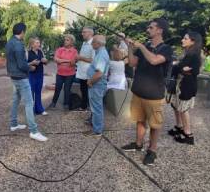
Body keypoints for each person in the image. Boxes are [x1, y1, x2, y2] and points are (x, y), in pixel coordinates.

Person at [121, 18, 173, 166]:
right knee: (140, 120)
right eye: (148, 27)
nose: (148, 30)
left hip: (154, 94)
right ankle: (138, 144)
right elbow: (132, 63)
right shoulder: (145, 46)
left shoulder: (166, 49)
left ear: (159, 30)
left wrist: (142, 47)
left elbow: (154, 61)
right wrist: (130, 47)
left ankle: (152, 150)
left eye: (151, 27)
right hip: (138, 91)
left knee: (155, 125)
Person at [5, 23, 48, 142]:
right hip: (21, 77)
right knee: (29, 103)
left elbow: (11, 61)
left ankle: (13, 124)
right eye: (25, 32)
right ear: (22, 32)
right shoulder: (18, 45)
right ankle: (34, 131)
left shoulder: (9, 42)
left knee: (15, 100)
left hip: (13, 76)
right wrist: (30, 67)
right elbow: (21, 64)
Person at [168, 32, 203, 145]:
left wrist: (179, 67)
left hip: (186, 86)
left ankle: (188, 134)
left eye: (185, 38)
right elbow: (180, 68)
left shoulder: (195, 55)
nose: (182, 40)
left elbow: (193, 71)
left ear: (193, 41)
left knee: (183, 109)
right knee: (176, 106)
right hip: (180, 84)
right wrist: (180, 67)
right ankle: (179, 127)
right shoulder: (187, 53)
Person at [83, 35, 110, 137]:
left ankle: (97, 130)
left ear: (98, 43)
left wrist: (90, 81)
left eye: (93, 42)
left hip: (96, 84)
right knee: (96, 106)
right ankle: (95, 125)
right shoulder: (100, 53)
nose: (91, 43)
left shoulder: (101, 54)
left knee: (96, 108)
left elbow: (99, 73)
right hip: (96, 84)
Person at [48, 34, 78, 110]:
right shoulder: (60, 49)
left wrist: (62, 61)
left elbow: (73, 62)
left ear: (72, 42)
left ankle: (66, 105)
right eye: (65, 40)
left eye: (67, 40)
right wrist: (68, 61)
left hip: (70, 74)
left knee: (67, 89)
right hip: (60, 73)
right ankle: (53, 103)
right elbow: (56, 59)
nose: (65, 41)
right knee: (57, 88)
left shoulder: (74, 51)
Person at [74, 27, 95, 111]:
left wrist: (80, 57)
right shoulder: (84, 43)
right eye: (82, 32)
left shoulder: (93, 44)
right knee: (83, 89)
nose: (82, 34)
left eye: (84, 32)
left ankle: (90, 107)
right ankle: (84, 106)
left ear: (90, 33)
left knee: (89, 90)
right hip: (82, 71)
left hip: (89, 72)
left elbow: (93, 60)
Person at [27, 37, 48, 116]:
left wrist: (45, 61)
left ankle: (39, 109)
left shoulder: (40, 51)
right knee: (31, 93)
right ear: (32, 45)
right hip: (31, 75)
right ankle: (30, 111)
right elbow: (24, 65)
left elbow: (45, 62)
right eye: (37, 43)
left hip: (40, 74)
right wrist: (32, 63)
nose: (39, 44)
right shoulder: (28, 53)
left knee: (38, 92)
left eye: (39, 43)